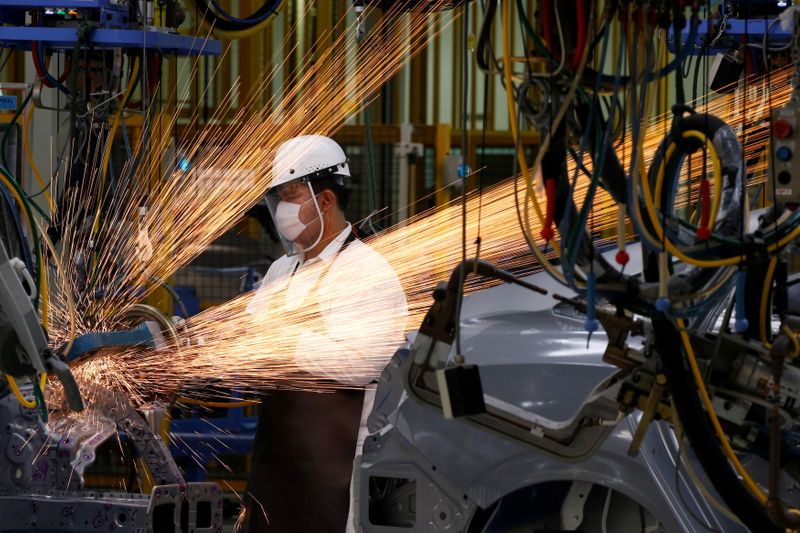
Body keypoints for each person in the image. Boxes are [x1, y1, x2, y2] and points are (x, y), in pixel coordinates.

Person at [242, 134, 408, 532]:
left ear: (326, 200)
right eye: (278, 196)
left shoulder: (366, 272)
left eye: (291, 195)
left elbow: (361, 362)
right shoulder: (282, 270)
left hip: (334, 474)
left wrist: (285, 341)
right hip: (277, 464)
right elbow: (249, 336)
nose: (282, 209)